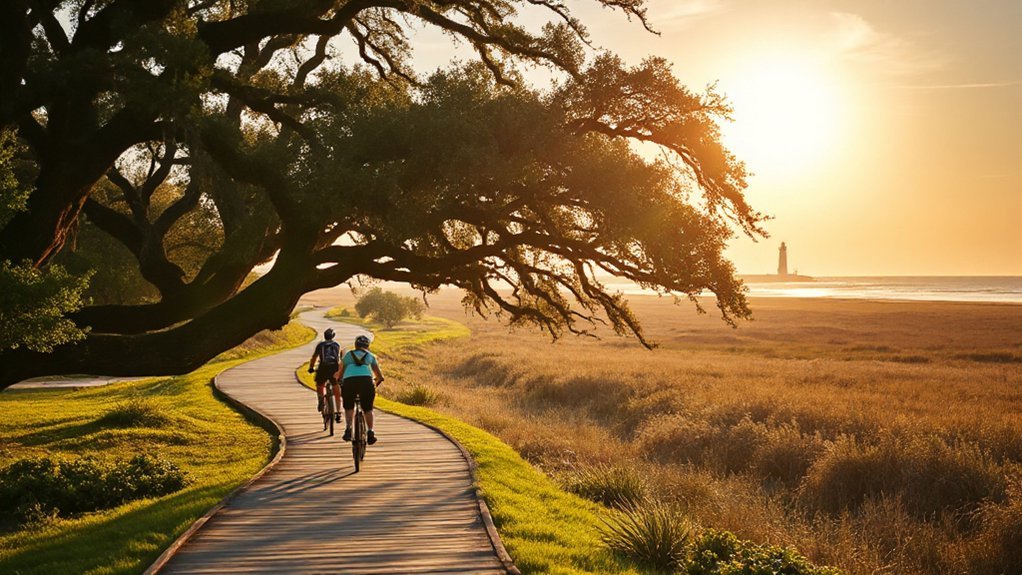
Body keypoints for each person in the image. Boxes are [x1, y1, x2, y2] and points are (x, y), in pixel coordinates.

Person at [338, 334, 384, 444]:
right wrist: (376, 382)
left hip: (349, 382)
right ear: (367, 346)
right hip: (366, 382)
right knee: (368, 409)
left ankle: (348, 429)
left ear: (356, 345)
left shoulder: (348, 355)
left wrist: (340, 381)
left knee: (349, 406)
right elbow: (379, 376)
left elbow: (341, 373)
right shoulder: (370, 356)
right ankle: (370, 432)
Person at [308, 328, 342, 422]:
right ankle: (338, 412)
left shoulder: (321, 345)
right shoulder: (336, 345)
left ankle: (321, 401)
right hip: (333, 368)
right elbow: (339, 358)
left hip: (323, 367)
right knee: (336, 387)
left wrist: (311, 367)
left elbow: (314, 357)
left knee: (320, 384)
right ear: (333, 336)